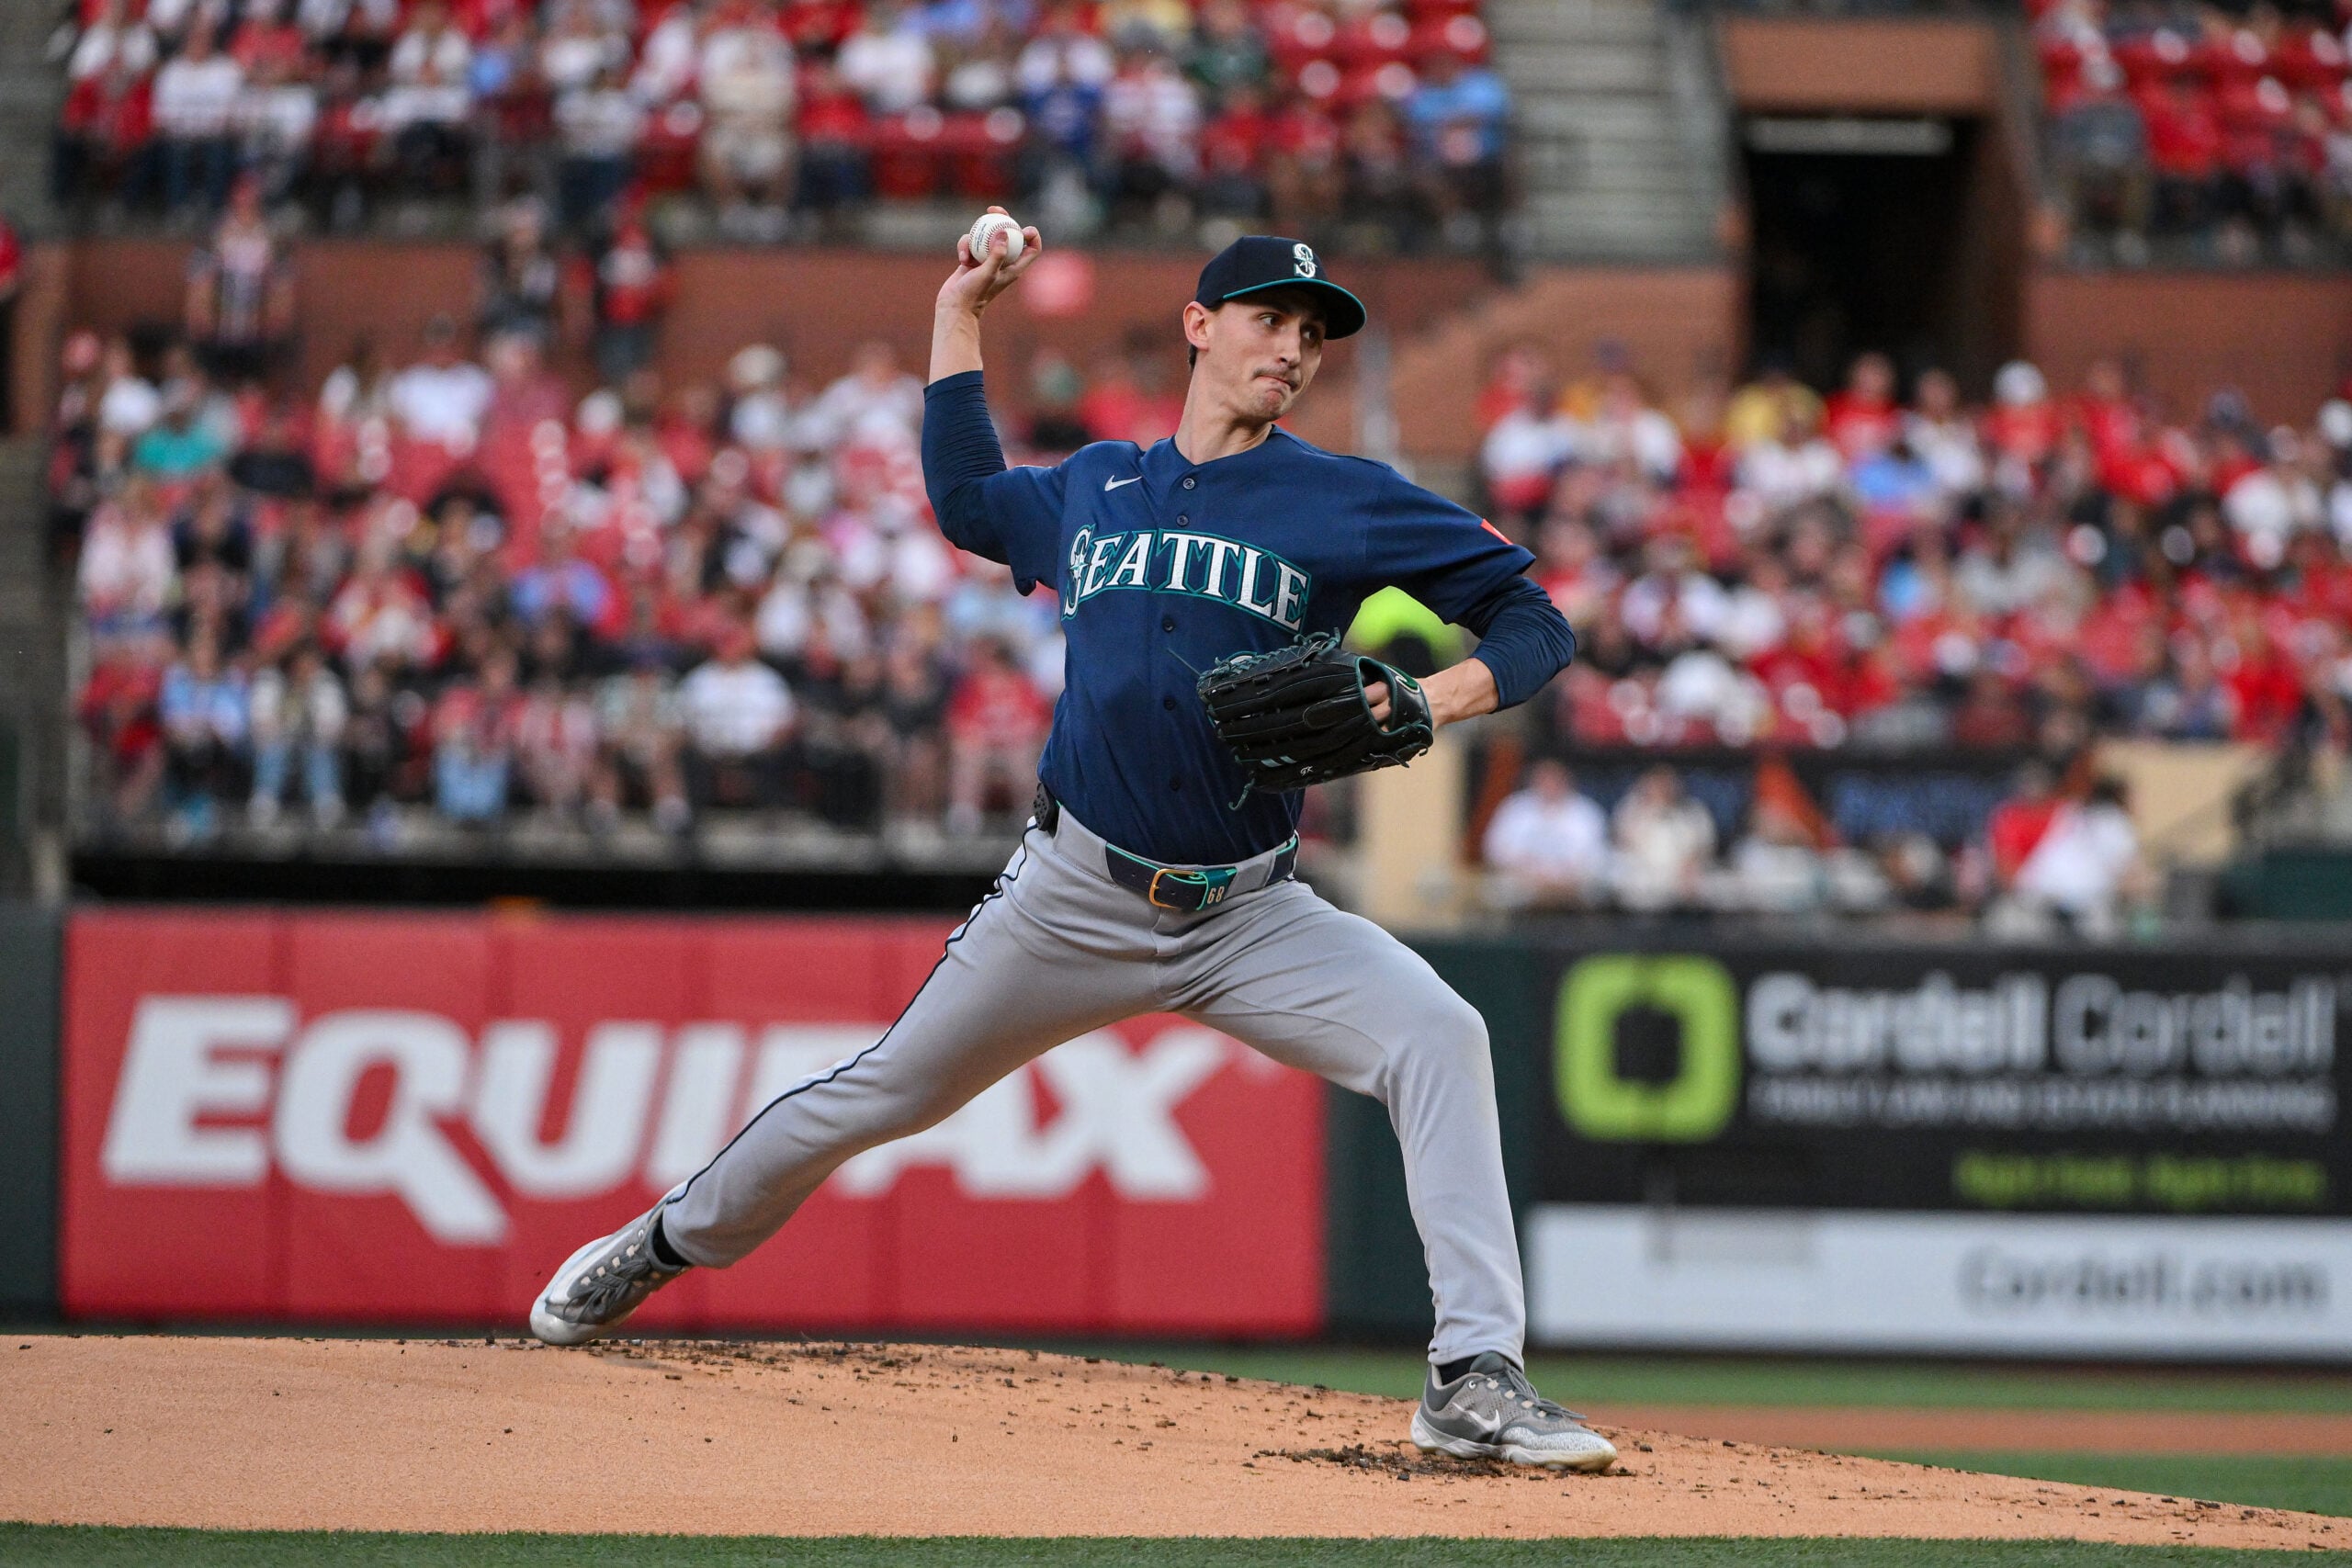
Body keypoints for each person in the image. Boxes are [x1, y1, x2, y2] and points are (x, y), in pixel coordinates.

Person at [528, 221, 1611, 1474]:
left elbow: (1532, 616)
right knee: (881, 1089)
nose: (1296, 347)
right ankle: (660, 1241)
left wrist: (1435, 696)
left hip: (1251, 912)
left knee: (1444, 1032)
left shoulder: (1344, 499)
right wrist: (960, 315)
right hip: (1070, 895)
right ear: (1201, 326)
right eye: (1272, 318)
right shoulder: (1096, 485)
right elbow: (968, 500)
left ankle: (1473, 1375)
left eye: (1313, 333)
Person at [1480, 757, 1608, 908]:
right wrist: (1529, 872)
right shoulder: (1515, 807)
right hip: (1523, 879)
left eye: (1555, 780)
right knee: (1498, 890)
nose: (1550, 785)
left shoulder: (1586, 811)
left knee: (1599, 888)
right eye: (1545, 780)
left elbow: (1597, 854)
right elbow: (1495, 848)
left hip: (1573, 882)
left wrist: (1563, 876)